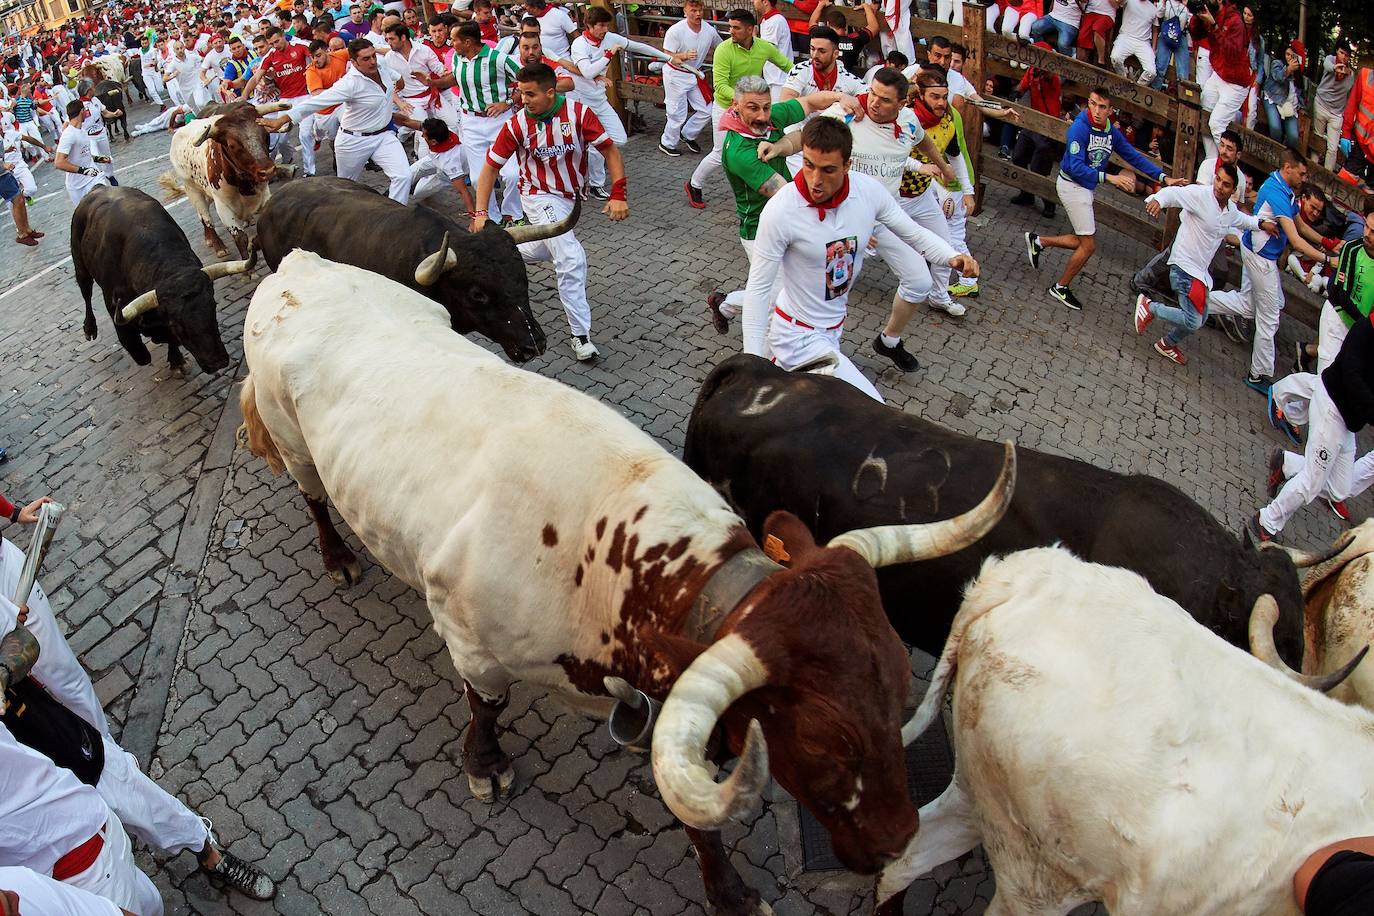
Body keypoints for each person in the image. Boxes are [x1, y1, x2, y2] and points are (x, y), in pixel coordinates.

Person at [0, 533, 276, 905]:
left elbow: (19, 637)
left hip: (44, 736)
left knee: (132, 790)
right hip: (37, 857)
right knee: (140, 900)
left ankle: (208, 852)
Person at [741, 116, 975, 400]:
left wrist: (952, 257)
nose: (815, 180)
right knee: (874, 412)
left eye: (828, 170)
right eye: (809, 165)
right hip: (796, 339)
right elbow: (757, 290)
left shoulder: (867, 191)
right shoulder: (780, 211)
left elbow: (912, 232)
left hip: (832, 333)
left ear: (847, 166)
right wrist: (751, 366)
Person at [472, 62, 629, 362]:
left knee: (543, 250)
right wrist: (480, 213)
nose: (523, 100)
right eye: (520, 93)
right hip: (538, 195)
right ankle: (580, 336)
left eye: (529, 94)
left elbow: (610, 150)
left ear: (550, 92)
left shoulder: (579, 114)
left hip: (571, 198)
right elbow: (490, 168)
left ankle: (491, 248)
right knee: (570, 257)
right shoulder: (516, 124)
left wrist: (619, 192)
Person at [702, 75, 863, 345]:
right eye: (753, 108)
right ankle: (766, 366)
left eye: (766, 107)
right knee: (775, 302)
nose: (763, 116)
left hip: (791, 223)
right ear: (736, 106)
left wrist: (839, 98)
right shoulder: (740, 152)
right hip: (760, 230)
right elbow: (789, 195)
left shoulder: (770, 115)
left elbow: (810, 102)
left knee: (780, 294)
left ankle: (725, 305)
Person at [1026, 88, 1178, 311]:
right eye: (1093, 105)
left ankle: (1038, 242)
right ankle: (1060, 287)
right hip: (1072, 186)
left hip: (1085, 188)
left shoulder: (1110, 131)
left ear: (1110, 110)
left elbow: (1132, 155)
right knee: (1088, 246)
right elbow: (1075, 167)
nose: (1097, 111)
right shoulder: (1079, 128)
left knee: (1082, 240)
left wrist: (1164, 177)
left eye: (1102, 107)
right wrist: (1110, 178)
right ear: (1088, 103)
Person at [1208, 149, 1342, 394]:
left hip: (1257, 253)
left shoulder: (1286, 191)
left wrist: (1328, 243)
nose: (1304, 178)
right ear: (1288, 168)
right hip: (1262, 258)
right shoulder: (1278, 192)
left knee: (1248, 305)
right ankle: (1258, 374)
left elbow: (1300, 225)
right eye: (1301, 173)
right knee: (1269, 319)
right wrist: (1327, 258)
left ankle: (1198, 300)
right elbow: (1296, 239)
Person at [1248, 306, 1374, 544]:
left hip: (1348, 422)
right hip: (1333, 410)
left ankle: (1286, 463)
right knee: (1311, 482)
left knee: (1339, 489)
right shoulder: (1365, 331)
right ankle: (1266, 520)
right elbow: (1352, 375)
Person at [1132, 162, 1275, 365]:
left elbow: (1243, 221)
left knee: (1202, 315)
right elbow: (1173, 194)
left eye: (1226, 184)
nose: (1219, 186)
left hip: (1200, 273)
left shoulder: (1230, 210)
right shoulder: (1201, 195)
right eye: (1218, 179)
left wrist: (1261, 224)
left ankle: (1167, 344)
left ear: (1233, 190)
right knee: (1193, 319)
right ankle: (1150, 307)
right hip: (1183, 266)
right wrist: (1157, 199)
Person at [1270, 210, 1374, 483]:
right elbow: (1337, 291)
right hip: (1338, 319)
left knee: (1332, 383)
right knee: (1329, 382)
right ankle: (1281, 395)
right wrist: (1366, 323)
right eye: (1368, 228)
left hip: (1359, 331)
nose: (1369, 235)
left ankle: (1290, 410)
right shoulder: (1353, 249)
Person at [260, 38, 417, 201]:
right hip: (353, 141)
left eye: (373, 56)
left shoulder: (380, 64)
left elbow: (395, 76)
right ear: (354, 62)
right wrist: (282, 120)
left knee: (403, 176)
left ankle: (396, 215)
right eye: (366, 59)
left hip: (384, 136)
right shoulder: (349, 84)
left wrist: (400, 83)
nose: (372, 61)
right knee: (346, 190)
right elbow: (314, 103)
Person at [570, 7, 684, 199]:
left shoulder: (610, 38)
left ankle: (592, 160)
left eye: (607, 25)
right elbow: (588, 73)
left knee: (618, 139)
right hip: (580, 101)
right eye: (601, 25)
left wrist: (669, 57)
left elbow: (638, 47)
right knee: (580, 145)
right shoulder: (579, 44)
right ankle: (593, 184)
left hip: (599, 100)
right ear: (589, 25)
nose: (605, 29)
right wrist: (608, 55)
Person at [686, 8, 792, 207]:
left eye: (736, 28)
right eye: (730, 27)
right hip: (726, 107)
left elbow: (787, 66)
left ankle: (758, 190)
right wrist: (742, 100)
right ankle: (694, 184)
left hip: (750, 109)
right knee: (720, 153)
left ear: (751, 30)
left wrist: (806, 78)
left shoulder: (764, 47)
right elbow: (720, 85)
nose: (731, 32)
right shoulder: (724, 50)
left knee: (755, 151)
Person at [424, 22, 523, 223]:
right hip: (470, 122)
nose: (451, 43)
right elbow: (454, 79)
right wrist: (432, 83)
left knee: (512, 174)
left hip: (500, 122)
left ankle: (512, 213)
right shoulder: (458, 58)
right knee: (479, 179)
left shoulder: (498, 58)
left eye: (454, 39)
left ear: (468, 42)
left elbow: (526, 81)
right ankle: (491, 218)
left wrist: (508, 102)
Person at [658, 0, 720, 158]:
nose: (698, 14)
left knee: (707, 110)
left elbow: (721, 47)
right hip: (675, 75)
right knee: (677, 113)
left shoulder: (709, 30)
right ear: (685, 11)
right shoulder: (676, 31)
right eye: (693, 10)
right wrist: (683, 56)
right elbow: (667, 55)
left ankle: (687, 134)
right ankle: (667, 143)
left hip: (694, 74)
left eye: (700, 10)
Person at [244, 27, 311, 168]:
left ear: (283, 36)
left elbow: (316, 56)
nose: (275, 46)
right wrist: (244, 96)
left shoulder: (301, 46)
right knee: (281, 139)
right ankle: (288, 160)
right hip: (285, 100)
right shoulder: (270, 56)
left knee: (305, 135)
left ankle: (309, 170)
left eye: (277, 41)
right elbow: (256, 78)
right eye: (272, 43)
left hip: (305, 96)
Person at [1197, 0, 1251, 161]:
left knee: (1216, 124)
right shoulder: (1212, 13)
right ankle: (1212, 162)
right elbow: (1196, 33)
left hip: (1236, 83)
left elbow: (1232, 54)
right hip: (1219, 74)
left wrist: (1214, 26)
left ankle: (1232, 167)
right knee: (1205, 115)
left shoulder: (1236, 22)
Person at [408, 117, 475, 209]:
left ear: (433, 142)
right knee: (411, 171)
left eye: (424, 135)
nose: (422, 136)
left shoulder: (450, 163)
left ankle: (418, 187)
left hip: (444, 174)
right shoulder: (444, 131)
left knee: (419, 192)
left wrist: (473, 218)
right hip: (434, 158)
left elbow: (464, 192)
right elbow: (411, 123)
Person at [53, 99, 110, 206]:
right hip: (77, 186)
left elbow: (85, 155)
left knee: (105, 203)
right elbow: (59, 163)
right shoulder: (68, 135)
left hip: (94, 178)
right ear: (81, 111)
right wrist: (84, 170)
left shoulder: (83, 131)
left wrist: (102, 159)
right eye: (86, 110)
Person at [807, 0, 879, 76]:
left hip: (823, 78)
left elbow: (812, 22)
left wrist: (820, 5)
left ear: (828, 23)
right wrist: (866, 6)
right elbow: (874, 27)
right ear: (845, 26)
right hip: (845, 80)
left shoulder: (822, 38)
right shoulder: (854, 39)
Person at [1312, 43, 1354, 173]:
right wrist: (1335, 68)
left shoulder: (1350, 75)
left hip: (1336, 113)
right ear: (1337, 51)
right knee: (1316, 139)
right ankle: (1312, 169)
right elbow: (1328, 65)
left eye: (1346, 55)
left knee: (1333, 148)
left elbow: (1349, 90)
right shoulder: (1330, 59)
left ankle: (1327, 176)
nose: (1343, 57)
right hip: (1321, 103)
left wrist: (1345, 73)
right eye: (1341, 53)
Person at [1260, 39, 1304, 150]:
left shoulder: (1298, 75)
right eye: (1287, 54)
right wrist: (1288, 69)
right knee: (1276, 129)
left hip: (1289, 106)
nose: (1289, 57)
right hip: (1273, 99)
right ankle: (1274, 153)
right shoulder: (1277, 63)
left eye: (1292, 55)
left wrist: (1302, 108)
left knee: (1294, 137)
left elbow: (1300, 95)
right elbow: (1278, 76)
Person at [1339, 65, 1374, 189]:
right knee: (1342, 187)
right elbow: (1351, 105)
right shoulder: (1365, 75)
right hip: (1359, 144)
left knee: (1369, 201)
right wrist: (1346, 134)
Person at [1110, 0, 1157, 86]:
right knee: (1115, 58)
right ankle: (1124, 78)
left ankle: (1137, 87)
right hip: (1126, 36)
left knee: (1151, 72)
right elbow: (1116, 3)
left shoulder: (1153, 9)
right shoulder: (1128, 1)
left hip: (1143, 42)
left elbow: (1155, 31)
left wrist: (1153, 48)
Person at [753, 0, 793, 99]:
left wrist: (753, 37)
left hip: (778, 79)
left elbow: (766, 49)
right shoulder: (767, 19)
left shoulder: (776, 21)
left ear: (765, 2)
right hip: (772, 77)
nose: (753, 1)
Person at [1151, 0, 1190, 91]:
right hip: (1165, 34)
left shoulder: (1186, 5)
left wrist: (1187, 6)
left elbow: (1189, 23)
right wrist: (1163, 2)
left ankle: (1182, 96)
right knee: (1160, 66)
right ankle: (1155, 90)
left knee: (1183, 71)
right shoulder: (1167, 2)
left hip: (1181, 36)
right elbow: (1159, 14)